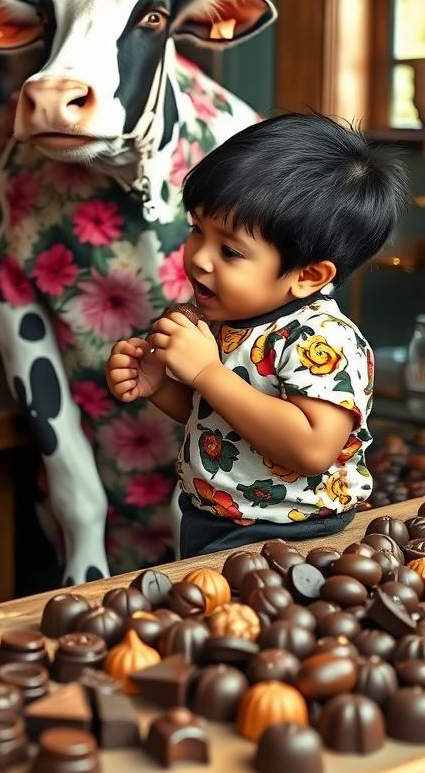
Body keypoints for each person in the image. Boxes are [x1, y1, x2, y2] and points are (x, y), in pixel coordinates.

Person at [105, 113, 409, 557]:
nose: (199, 259)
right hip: (208, 518)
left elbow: (310, 447)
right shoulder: (226, 319)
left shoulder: (321, 338)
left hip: (297, 537)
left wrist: (207, 371)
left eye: (230, 250)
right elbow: (222, 417)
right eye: (196, 230)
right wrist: (163, 387)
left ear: (308, 275)